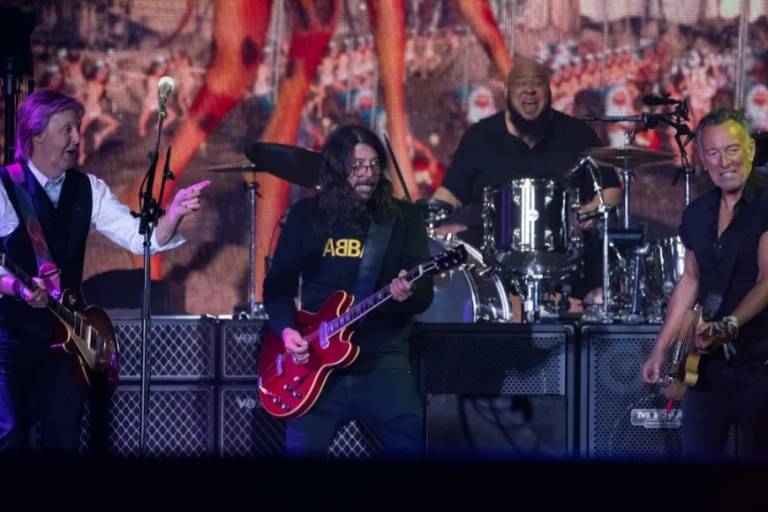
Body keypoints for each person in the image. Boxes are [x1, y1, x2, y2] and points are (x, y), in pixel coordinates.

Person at [0, 89, 210, 454]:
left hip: (67, 336)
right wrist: (17, 288)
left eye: (78, 128)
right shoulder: (6, 187)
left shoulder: (89, 188)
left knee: (64, 439)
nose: (77, 138)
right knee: (10, 434)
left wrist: (174, 214)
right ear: (37, 134)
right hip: (10, 336)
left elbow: (139, 238)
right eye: (67, 129)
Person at [262, 124, 433, 458]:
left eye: (373, 165)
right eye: (357, 166)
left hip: (383, 362)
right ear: (336, 169)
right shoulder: (306, 216)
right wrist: (287, 331)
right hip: (315, 366)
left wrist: (407, 294)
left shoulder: (403, 217)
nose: (367, 174)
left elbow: (424, 293)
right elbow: (277, 286)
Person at [431, 56, 623, 305]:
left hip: (565, 261)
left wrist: (591, 210)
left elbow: (612, 190)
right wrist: (426, 215)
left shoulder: (578, 134)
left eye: (537, 83)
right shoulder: (480, 136)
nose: (530, 90)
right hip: (488, 262)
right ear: (507, 91)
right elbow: (452, 192)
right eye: (521, 83)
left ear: (549, 91)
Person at [642, 108, 768, 460]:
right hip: (705, 369)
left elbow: (766, 280)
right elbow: (690, 280)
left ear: (750, 150)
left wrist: (727, 327)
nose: (724, 162)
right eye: (713, 153)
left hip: (759, 365)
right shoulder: (697, 213)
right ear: (701, 158)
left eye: (732, 149)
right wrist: (660, 349)